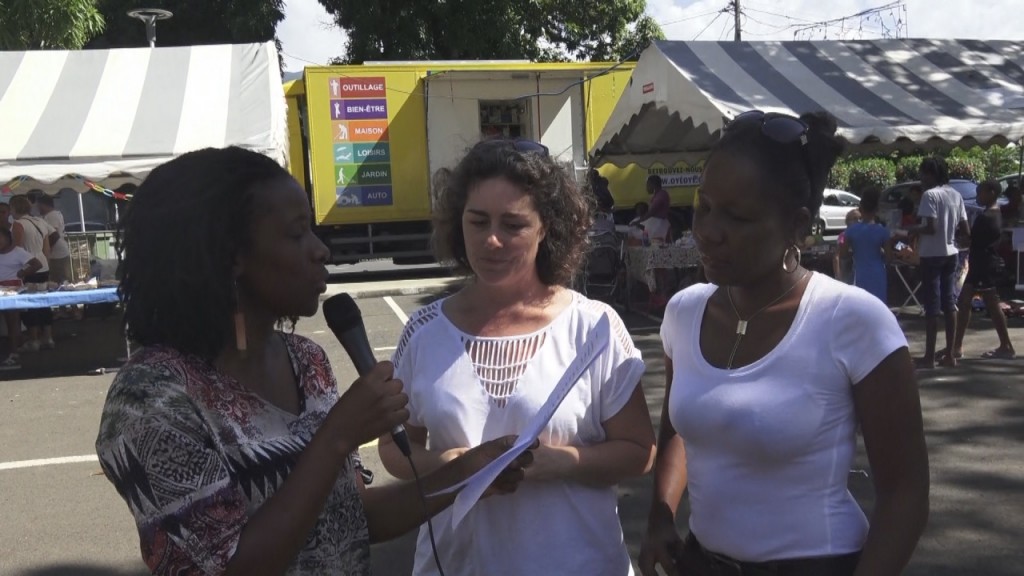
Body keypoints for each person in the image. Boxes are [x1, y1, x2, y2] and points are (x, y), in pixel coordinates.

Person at [94, 147, 534, 576]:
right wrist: (338, 435)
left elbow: (352, 515)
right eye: (296, 233)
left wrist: (470, 473)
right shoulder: (151, 398)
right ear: (231, 256)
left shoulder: (307, 361)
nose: (320, 250)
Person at [640, 110, 928, 576]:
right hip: (698, 563)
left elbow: (906, 493)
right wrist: (659, 516)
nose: (708, 231)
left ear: (797, 226)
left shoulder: (851, 320)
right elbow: (678, 427)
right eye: (703, 207)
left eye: (737, 217)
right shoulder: (684, 311)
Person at [378, 138, 656, 576]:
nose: (491, 240)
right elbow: (395, 449)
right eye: (478, 221)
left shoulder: (594, 327)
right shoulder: (424, 332)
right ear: (458, 223)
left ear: (546, 227)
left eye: (513, 224)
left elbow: (640, 451)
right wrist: (445, 466)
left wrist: (562, 463)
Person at [908, 157, 969, 369]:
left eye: (923, 173)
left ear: (931, 174)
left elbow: (931, 227)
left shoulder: (929, 195)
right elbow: (965, 230)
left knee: (932, 306)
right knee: (949, 302)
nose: (921, 178)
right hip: (951, 253)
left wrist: (913, 230)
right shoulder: (956, 194)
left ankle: (929, 357)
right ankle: (950, 354)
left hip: (931, 255)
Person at [951, 180, 1016, 360]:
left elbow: (973, 240)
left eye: (980, 193)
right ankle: (956, 346)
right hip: (981, 264)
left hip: (984, 265)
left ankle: (1006, 346)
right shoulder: (993, 214)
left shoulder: (988, 216)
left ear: (992, 192)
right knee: (966, 302)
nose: (978, 196)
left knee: (990, 304)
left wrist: (963, 238)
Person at [10, 194, 56, 351]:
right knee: (45, 303)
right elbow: (47, 247)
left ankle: (34, 340)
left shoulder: (18, 224)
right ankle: (48, 338)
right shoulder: (40, 221)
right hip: (43, 264)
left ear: (14, 208)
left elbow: (17, 248)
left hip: (28, 266)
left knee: (29, 305)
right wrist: (46, 263)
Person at [0, 227, 43, 370]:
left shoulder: (18, 252)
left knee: (12, 323)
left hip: (12, 290)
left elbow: (37, 264)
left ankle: (13, 354)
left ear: (8, 238)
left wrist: (22, 273)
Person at [841, 188, 892, 303]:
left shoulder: (850, 231)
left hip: (859, 272)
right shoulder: (883, 231)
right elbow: (889, 258)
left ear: (860, 209)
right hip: (878, 272)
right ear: (877, 210)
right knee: (879, 305)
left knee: (861, 304)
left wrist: (855, 251)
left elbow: (843, 254)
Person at [36, 195, 71, 285]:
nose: (38, 208)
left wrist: (46, 250)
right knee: (55, 279)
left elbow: (54, 235)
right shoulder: (53, 215)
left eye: (39, 206)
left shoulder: (52, 216)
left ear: (43, 205)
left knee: (59, 279)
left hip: (58, 253)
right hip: (55, 253)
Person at [833, 208, 861, 283]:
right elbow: (836, 256)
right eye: (855, 219)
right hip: (844, 268)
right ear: (848, 221)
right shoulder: (843, 236)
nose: (858, 221)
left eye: (860, 219)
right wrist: (838, 274)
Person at [641, 174, 671, 241]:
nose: (647, 188)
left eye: (648, 185)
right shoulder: (659, 194)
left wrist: (639, 221)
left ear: (653, 185)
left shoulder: (661, 195)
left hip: (658, 226)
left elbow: (651, 212)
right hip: (656, 225)